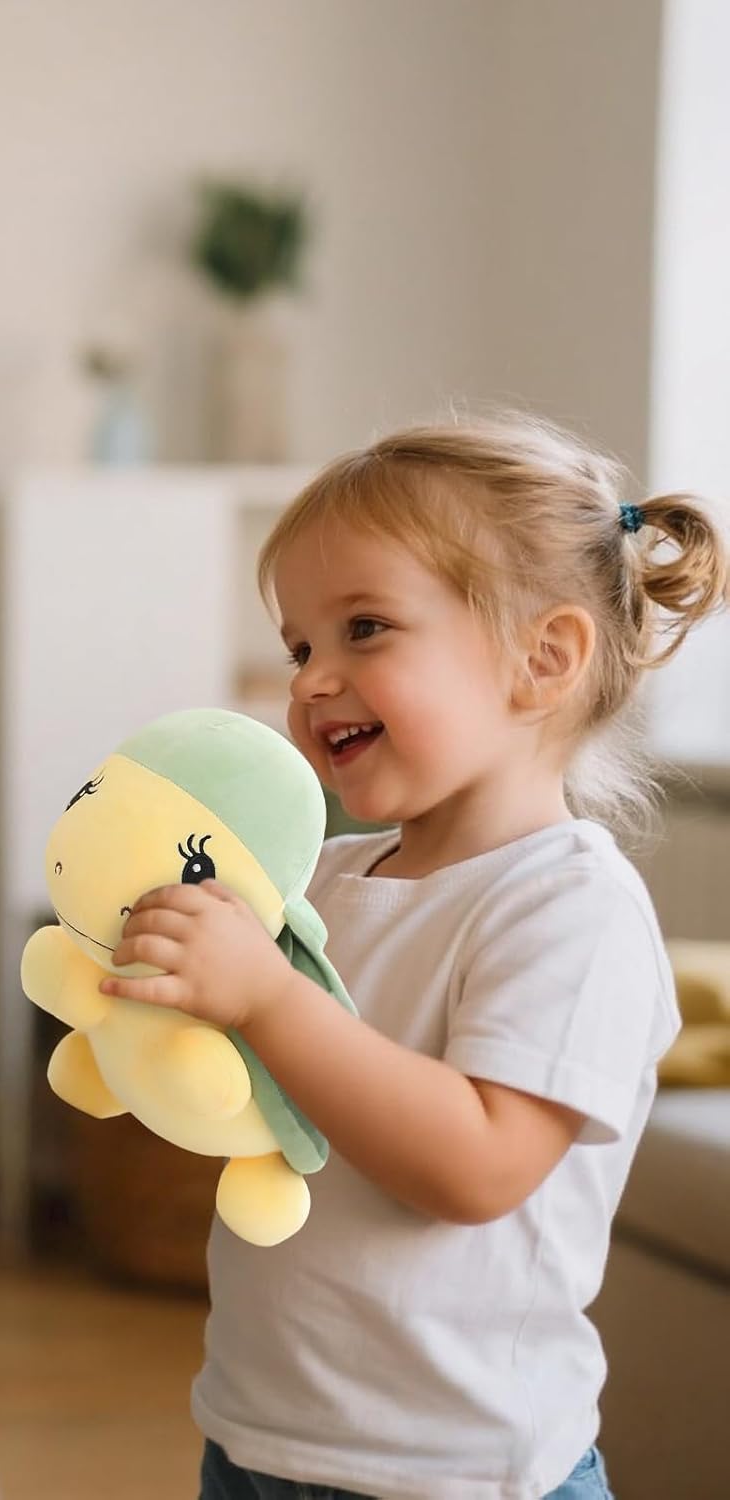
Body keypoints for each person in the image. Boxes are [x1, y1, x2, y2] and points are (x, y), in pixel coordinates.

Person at [102, 413, 728, 1499]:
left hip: (458, 1470)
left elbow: (477, 1167)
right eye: (301, 647)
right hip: (257, 1435)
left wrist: (265, 998)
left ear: (543, 659)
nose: (312, 680)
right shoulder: (326, 881)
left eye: (366, 629)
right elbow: (281, 1097)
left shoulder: (572, 908)